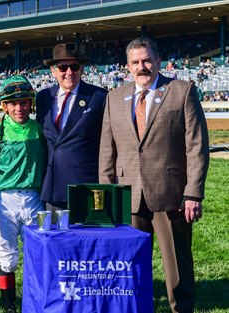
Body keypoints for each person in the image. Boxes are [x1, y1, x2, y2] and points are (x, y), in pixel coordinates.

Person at [99, 37, 210, 313]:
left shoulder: (182, 91)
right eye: (135, 62)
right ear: (127, 66)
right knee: (130, 264)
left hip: (171, 195)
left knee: (177, 266)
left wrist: (193, 192)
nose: (142, 67)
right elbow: (106, 152)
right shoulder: (114, 98)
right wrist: (108, 196)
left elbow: (197, 146)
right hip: (128, 196)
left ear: (159, 61)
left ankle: (181, 309)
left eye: (147, 60)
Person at [0, 75, 46, 313]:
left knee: (37, 253)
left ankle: (36, 301)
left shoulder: (41, 130)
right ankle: (9, 306)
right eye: (13, 104)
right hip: (6, 201)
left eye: (24, 102)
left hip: (35, 199)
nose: (19, 108)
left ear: (31, 104)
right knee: (7, 256)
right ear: (4, 106)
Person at [35, 42, 108, 220]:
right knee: (56, 241)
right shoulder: (43, 97)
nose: (69, 72)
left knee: (85, 241)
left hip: (85, 185)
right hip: (52, 185)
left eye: (74, 66)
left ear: (82, 69)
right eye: (63, 67)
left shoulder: (99, 96)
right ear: (53, 71)